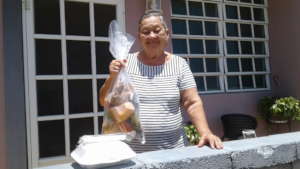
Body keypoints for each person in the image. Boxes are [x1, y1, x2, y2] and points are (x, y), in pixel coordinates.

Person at [99, 12, 223, 153]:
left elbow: (192, 102)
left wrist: (205, 132)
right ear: (139, 36)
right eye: (146, 32)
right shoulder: (125, 63)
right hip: (131, 155)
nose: (152, 36)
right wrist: (113, 77)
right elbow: (104, 101)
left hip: (172, 152)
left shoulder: (179, 64)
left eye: (157, 30)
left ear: (167, 33)